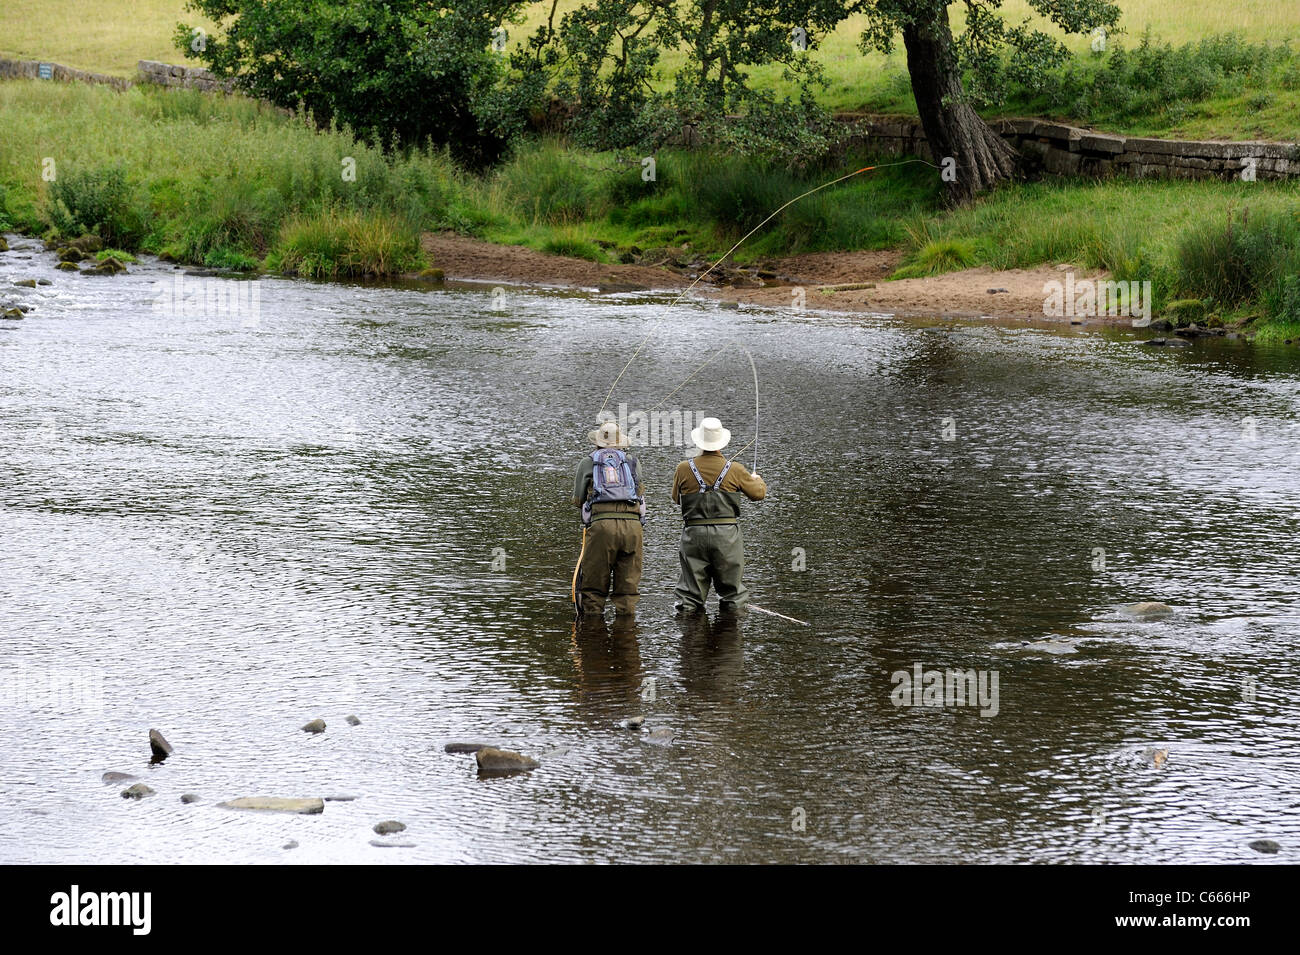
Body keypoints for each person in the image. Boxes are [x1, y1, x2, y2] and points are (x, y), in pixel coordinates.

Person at [671, 416, 766, 614]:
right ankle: (729, 638)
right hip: (727, 537)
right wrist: (757, 480)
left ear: (699, 441)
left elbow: (676, 499)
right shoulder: (736, 469)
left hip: (694, 534)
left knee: (689, 596)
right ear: (721, 442)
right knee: (733, 594)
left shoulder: (683, 468)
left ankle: (690, 638)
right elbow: (759, 495)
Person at [571, 421, 645, 618]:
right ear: (620, 442)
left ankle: (593, 635)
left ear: (597, 442)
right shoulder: (632, 461)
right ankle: (627, 634)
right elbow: (639, 493)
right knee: (628, 588)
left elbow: (578, 500)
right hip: (633, 527)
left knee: (594, 588)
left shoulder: (587, 462)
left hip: (602, 528)